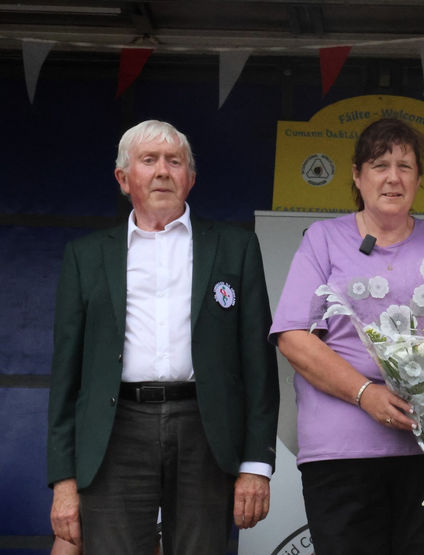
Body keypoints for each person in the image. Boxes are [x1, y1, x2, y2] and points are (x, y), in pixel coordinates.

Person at [46, 120, 279, 554]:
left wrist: (256, 464)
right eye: (148, 160)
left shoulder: (234, 248)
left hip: (206, 428)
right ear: (123, 178)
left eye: (175, 162)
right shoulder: (86, 256)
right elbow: (66, 377)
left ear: (190, 178)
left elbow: (258, 366)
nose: (162, 171)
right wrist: (63, 479)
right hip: (115, 429)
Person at [270, 117, 424, 554]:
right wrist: (365, 393)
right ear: (357, 175)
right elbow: (293, 336)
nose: (392, 177)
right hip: (341, 454)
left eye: (405, 166)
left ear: (419, 179)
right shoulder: (323, 240)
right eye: (380, 164)